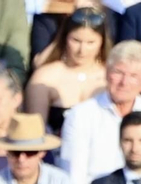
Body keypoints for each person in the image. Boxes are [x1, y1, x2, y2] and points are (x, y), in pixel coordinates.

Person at [59, 42, 141, 184]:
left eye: (133, 76)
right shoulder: (81, 115)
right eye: (118, 72)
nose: (124, 82)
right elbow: (74, 177)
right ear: (106, 73)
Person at [26, 5, 111, 134]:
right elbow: (35, 131)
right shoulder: (45, 77)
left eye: (90, 43)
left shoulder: (111, 77)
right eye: (76, 40)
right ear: (65, 38)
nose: (82, 50)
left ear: (102, 42)